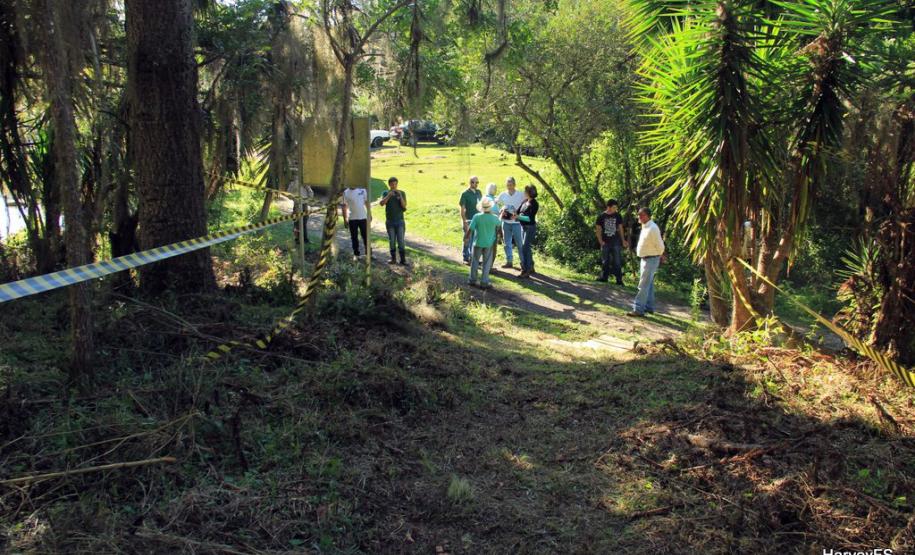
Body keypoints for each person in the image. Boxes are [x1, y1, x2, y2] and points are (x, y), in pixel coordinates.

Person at [628, 207, 665, 317]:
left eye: (642, 215)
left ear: (648, 216)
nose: (639, 217)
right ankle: (649, 307)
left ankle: (638, 309)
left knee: (643, 285)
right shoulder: (645, 226)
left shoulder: (653, 228)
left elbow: (660, 246)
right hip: (646, 258)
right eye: (639, 215)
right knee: (648, 284)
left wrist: (657, 255)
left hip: (651, 259)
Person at [465, 197, 501, 289]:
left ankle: (472, 280)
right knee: (487, 263)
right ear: (490, 207)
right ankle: (484, 282)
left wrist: (466, 237)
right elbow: (499, 226)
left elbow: (470, 229)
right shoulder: (495, 218)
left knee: (475, 262)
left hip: (478, 242)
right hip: (489, 243)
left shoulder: (477, 216)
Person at [595, 199, 628, 284]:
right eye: (614, 207)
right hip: (605, 242)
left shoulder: (618, 216)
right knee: (605, 261)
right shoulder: (601, 216)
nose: (615, 209)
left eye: (616, 208)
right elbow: (598, 230)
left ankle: (619, 280)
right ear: (608, 207)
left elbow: (620, 228)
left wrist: (623, 240)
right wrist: (600, 241)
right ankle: (604, 277)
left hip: (616, 242)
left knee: (617, 261)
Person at [497, 177, 525, 269]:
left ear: (514, 184)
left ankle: (523, 263)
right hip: (505, 222)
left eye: (511, 185)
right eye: (508, 185)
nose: (509, 187)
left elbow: (528, 202)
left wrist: (521, 212)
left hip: (517, 223)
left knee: (519, 243)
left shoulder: (520, 194)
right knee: (507, 243)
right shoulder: (503, 194)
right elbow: (495, 202)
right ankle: (509, 261)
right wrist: (501, 210)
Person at [379, 177, 407, 265]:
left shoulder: (402, 193)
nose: (394, 186)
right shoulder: (385, 193)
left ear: (397, 184)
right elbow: (382, 203)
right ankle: (393, 259)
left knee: (401, 241)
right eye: (392, 184)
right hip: (390, 221)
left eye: (395, 184)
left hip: (400, 221)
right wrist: (389, 195)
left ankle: (403, 260)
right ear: (389, 185)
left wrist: (400, 196)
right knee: (392, 241)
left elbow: (404, 206)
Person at [513, 185, 539, 279]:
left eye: (525, 191)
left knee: (525, 248)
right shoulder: (525, 201)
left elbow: (529, 218)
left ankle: (526, 270)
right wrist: (509, 213)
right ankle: (530, 267)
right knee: (526, 248)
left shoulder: (534, 204)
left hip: (530, 227)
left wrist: (518, 217)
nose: (523, 192)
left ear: (528, 192)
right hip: (523, 227)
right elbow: (517, 211)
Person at [459, 176, 482, 264]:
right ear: (470, 182)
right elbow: (462, 209)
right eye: (474, 182)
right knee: (467, 239)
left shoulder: (479, 192)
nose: (476, 184)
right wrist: (464, 222)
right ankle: (465, 257)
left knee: (476, 240)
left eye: (477, 182)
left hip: (477, 220)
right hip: (468, 220)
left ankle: (473, 257)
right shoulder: (465, 194)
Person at [342, 184, 368, 257]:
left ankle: (368, 253)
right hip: (352, 219)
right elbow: (344, 206)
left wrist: (369, 214)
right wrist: (345, 219)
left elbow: (366, 203)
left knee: (366, 236)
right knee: (354, 237)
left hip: (363, 217)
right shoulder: (345, 193)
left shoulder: (362, 190)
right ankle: (356, 254)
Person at [484, 182, 501, 268]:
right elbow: (495, 213)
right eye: (495, 189)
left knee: (486, 244)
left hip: (485, 225)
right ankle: (489, 265)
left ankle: (486, 264)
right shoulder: (492, 200)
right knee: (492, 245)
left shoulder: (484, 198)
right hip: (493, 225)